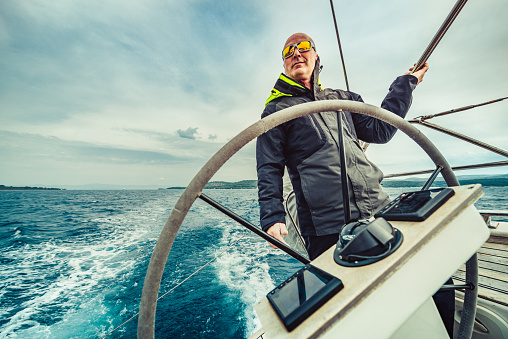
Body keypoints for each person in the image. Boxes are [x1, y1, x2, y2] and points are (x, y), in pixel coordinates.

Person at [255, 32, 455, 335]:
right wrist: (272, 216)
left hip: (377, 209)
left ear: (316, 56)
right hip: (326, 228)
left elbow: (381, 129)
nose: (296, 53)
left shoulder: (343, 99)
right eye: (289, 51)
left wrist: (405, 84)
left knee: (438, 280)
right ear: (284, 63)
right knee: (352, 312)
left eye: (304, 47)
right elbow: (269, 165)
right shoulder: (276, 110)